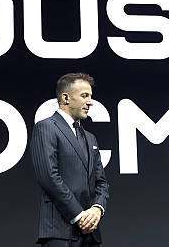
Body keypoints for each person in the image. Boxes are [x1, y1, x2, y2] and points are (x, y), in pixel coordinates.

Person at [31, 73, 109, 246]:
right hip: (60, 232)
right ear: (66, 98)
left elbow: (102, 183)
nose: (90, 102)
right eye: (84, 96)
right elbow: (49, 177)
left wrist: (97, 209)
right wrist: (79, 216)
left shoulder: (90, 138)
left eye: (90, 96)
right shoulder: (46, 128)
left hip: (91, 234)